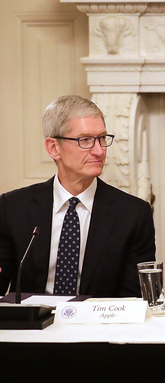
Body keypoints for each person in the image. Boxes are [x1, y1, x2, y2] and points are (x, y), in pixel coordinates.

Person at [0, 95, 156, 298]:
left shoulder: (133, 215)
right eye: (85, 140)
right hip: (34, 318)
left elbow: (133, 298)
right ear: (53, 148)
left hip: (99, 318)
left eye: (102, 138)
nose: (99, 151)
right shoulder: (12, 208)